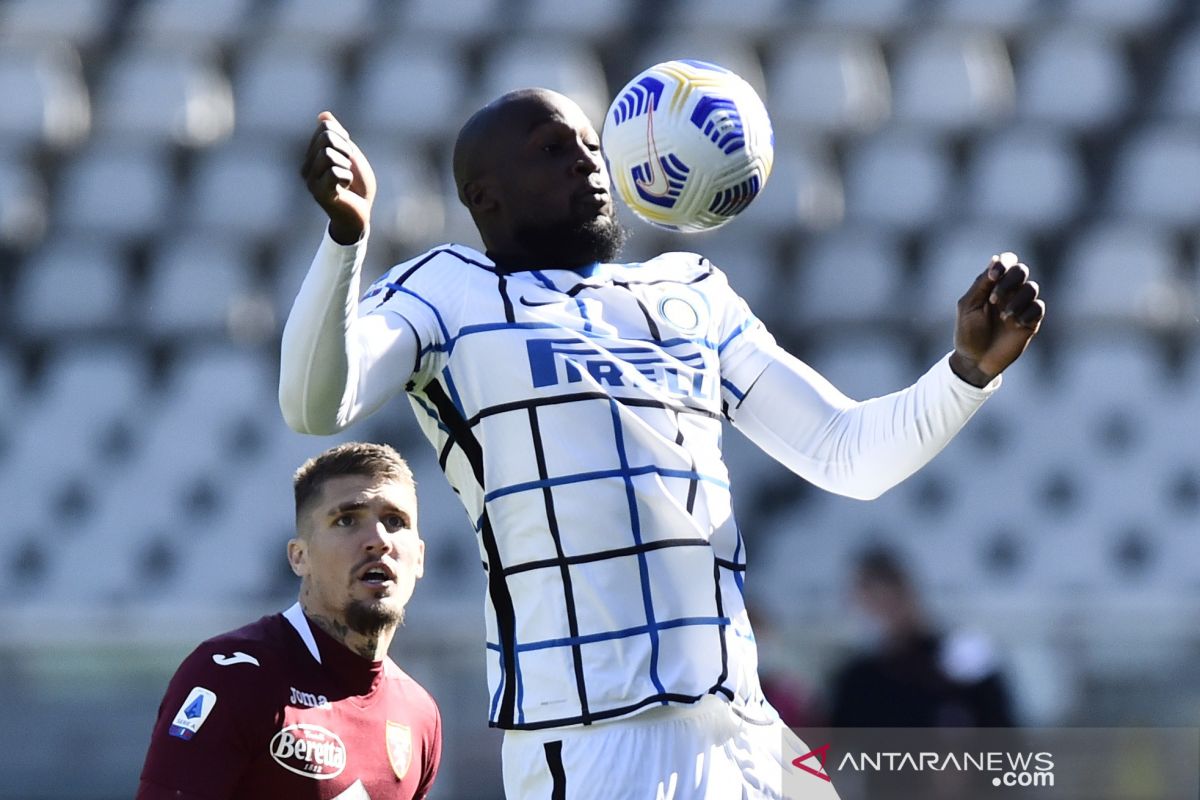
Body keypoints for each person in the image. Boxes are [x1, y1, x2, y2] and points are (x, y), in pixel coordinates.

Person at [279, 88, 1044, 799]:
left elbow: (849, 454)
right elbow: (317, 402)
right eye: (554, 148)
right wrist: (345, 240)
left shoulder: (691, 291)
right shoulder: (446, 291)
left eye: (588, 141)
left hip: (748, 724)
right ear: (487, 196)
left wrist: (967, 371)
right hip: (594, 735)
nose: (588, 156)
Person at [137, 442, 441, 799]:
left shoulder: (419, 714)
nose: (378, 541)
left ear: (419, 558)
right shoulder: (233, 675)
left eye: (395, 521)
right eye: (347, 520)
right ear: (299, 557)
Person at [829, 545, 1016, 728]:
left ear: (910, 594)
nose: (883, 612)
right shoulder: (857, 680)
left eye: (890, 598)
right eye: (871, 601)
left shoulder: (963, 658)